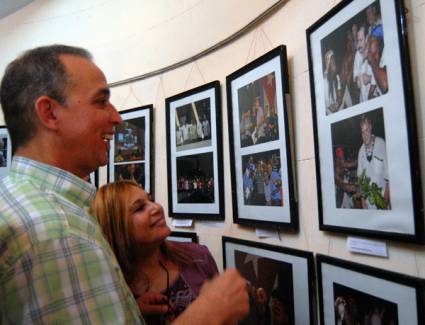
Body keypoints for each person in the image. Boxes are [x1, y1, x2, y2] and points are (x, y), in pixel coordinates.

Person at [0, 44, 249, 324]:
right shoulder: (58, 230)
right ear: (50, 113)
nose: (116, 118)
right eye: (100, 101)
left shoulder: (25, 203)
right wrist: (208, 313)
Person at [92, 181, 219, 323]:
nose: (157, 207)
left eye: (151, 200)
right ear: (116, 227)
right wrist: (132, 313)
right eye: (139, 208)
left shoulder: (198, 256)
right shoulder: (109, 288)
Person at [357, 116, 390, 209]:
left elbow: (389, 175)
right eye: (362, 132)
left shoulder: (381, 143)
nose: (365, 135)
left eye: (366, 130)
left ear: (371, 128)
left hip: (383, 198)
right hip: (369, 203)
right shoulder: (361, 152)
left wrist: (386, 199)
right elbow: (361, 180)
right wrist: (364, 204)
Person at [323, 49, 343, 114]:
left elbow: (339, 99)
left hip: (336, 108)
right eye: (332, 60)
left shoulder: (336, 77)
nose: (334, 62)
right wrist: (336, 106)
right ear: (328, 63)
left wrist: (337, 104)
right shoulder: (324, 81)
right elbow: (329, 107)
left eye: (334, 60)